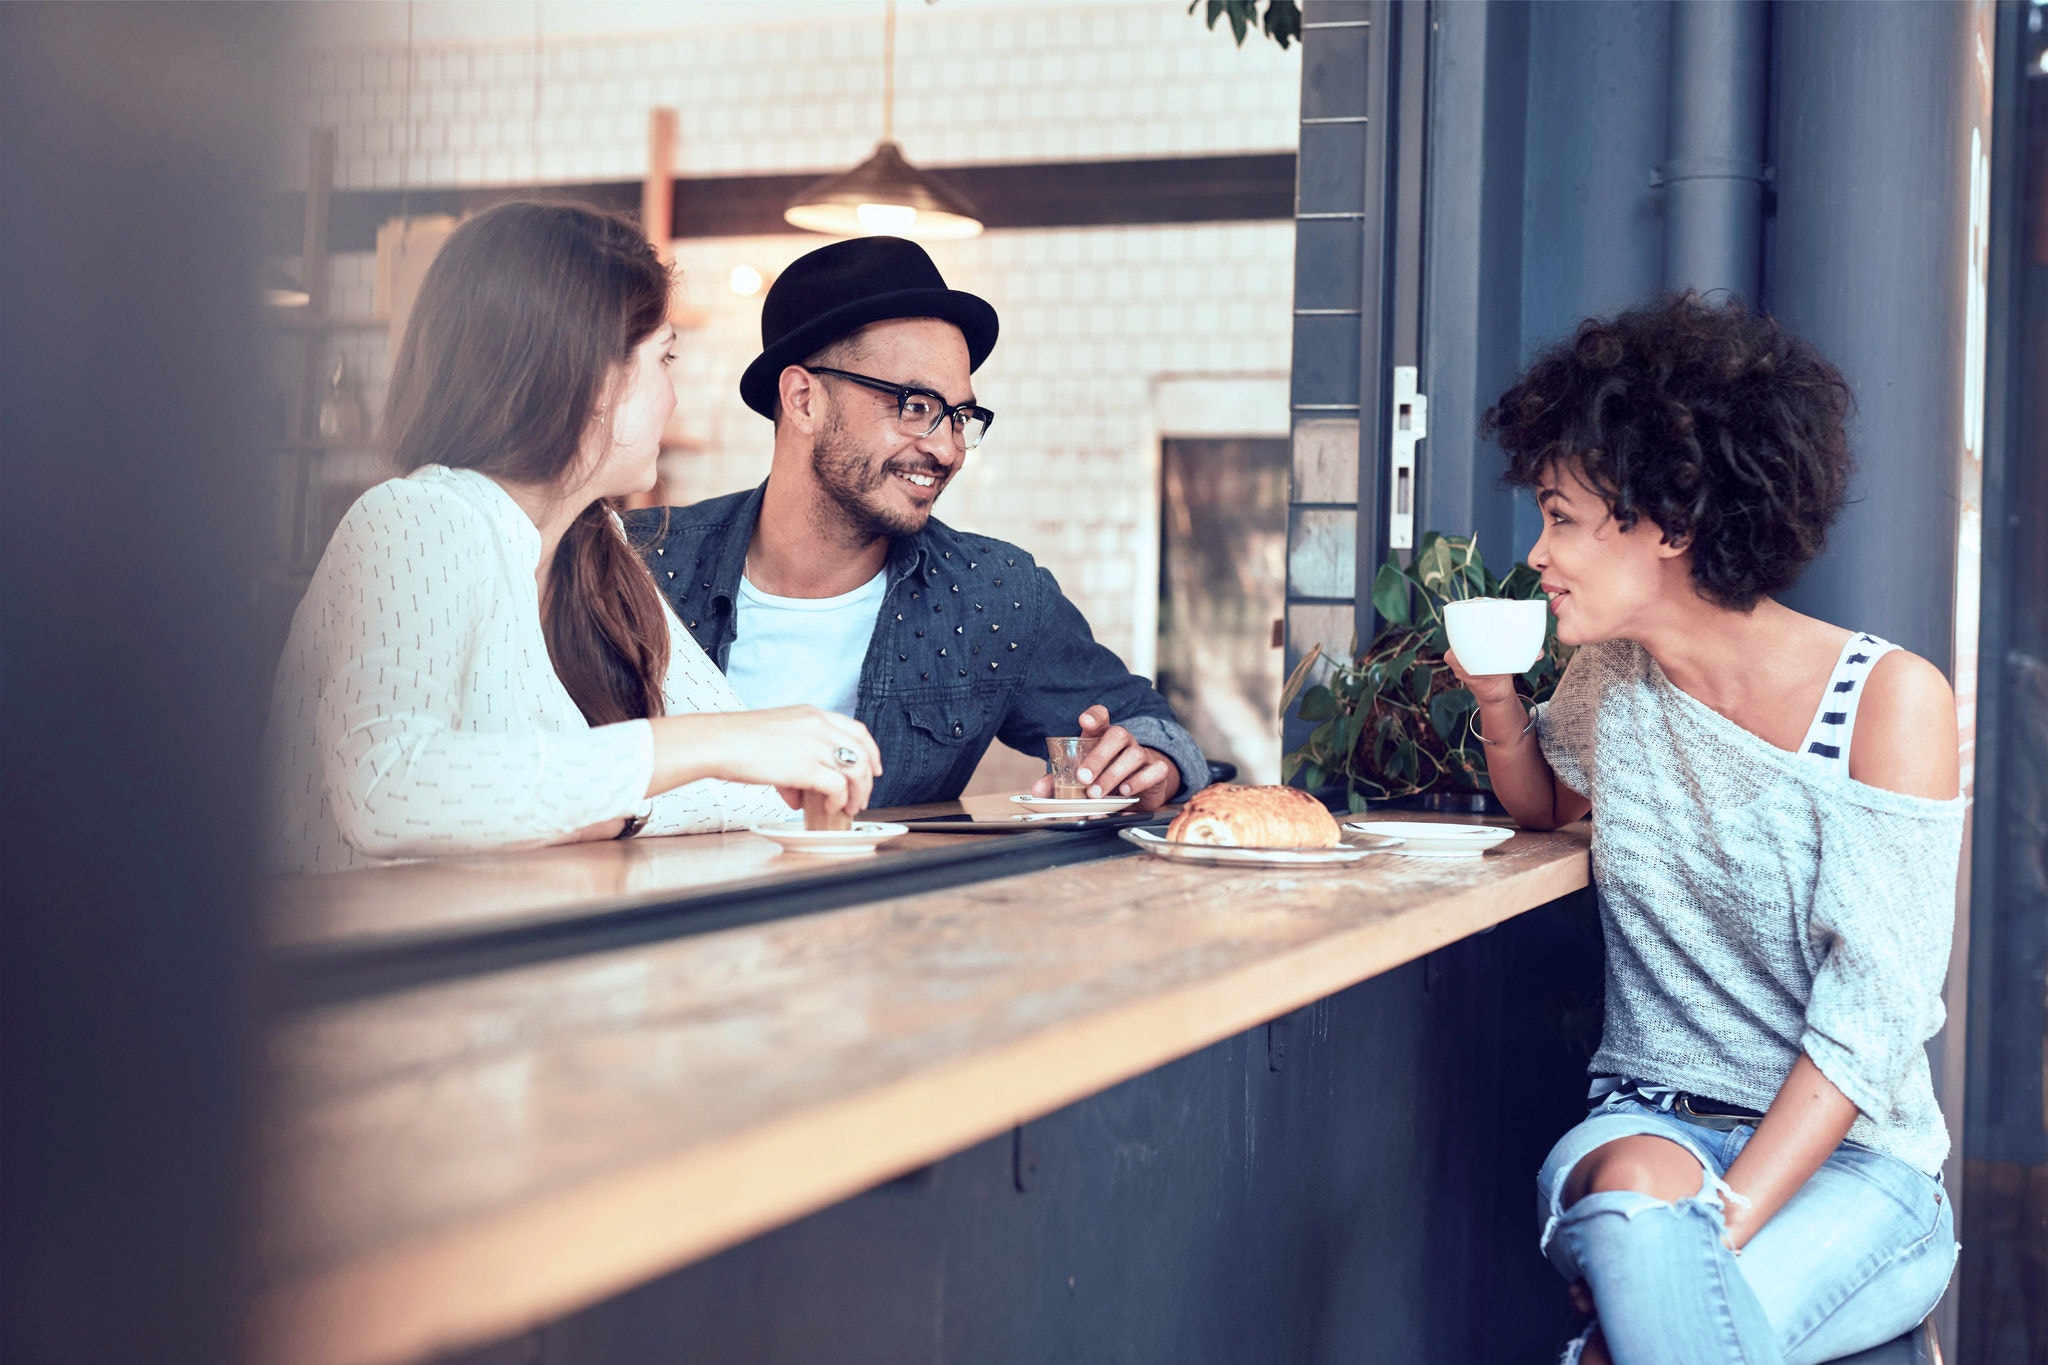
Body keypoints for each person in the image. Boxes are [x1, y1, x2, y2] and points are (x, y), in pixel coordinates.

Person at [1449, 295, 1963, 1365]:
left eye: (1558, 517)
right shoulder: (1613, 680)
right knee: (1638, 1198)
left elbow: (1868, 1027)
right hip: (1642, 1127)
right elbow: (1548, 805)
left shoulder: (1887, 702)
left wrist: (1713, 1236)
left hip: (1853, 1169)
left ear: (1671, 524)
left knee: (1659, 1321)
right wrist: (1498, 697)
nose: (1535, 554)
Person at [264, 203, 881, 875]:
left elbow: (761, 793)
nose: (673, 397)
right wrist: (685, 753)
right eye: (664, 358)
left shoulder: (596, 547)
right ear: (589, 376)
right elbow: (386, 789)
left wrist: (620, 803)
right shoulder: (415, 519)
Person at [622, 235, 1205, 810]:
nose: (948, 450)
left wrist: (1149, 764)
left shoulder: (993, 594)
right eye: (917, 406)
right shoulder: (637, 565)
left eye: (960, 417)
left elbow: (1147, 726)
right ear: (803, 400)